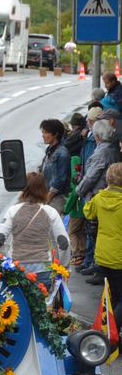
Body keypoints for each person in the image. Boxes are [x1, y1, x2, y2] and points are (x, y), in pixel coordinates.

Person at [0, 172, 70, 288]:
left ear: (24, 189)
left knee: (20, 305)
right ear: (44, 189)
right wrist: (63, 266)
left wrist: (7, 256)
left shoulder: (13, 211)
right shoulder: (51, 212)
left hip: (18, 267)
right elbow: (63, 243)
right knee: (42, 304)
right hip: (43, 269)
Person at [76, 120, 121, 285]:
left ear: (97, 135)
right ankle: (97, 266)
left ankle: (99, 268)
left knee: (95, 231)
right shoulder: (113, 148)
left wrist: (79, 190)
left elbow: (92, 175)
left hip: (98, 194)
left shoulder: (102, 151)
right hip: (105, 192)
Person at [83, 162, 122, 332]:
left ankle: (111, 332)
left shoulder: (99, 198)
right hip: (119, 256)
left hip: (103, 254)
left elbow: (87, 212)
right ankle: (109, 332)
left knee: (113, 294)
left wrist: (102, 192)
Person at [39, 119, 71, 215]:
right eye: (42, 132)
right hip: (48, 196)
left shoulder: (62, 153)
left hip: (57, 198)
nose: (43, 135)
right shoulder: (50, 150)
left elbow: (60, 179)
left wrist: (48, 198)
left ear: (55, 134)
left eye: (46, 132)